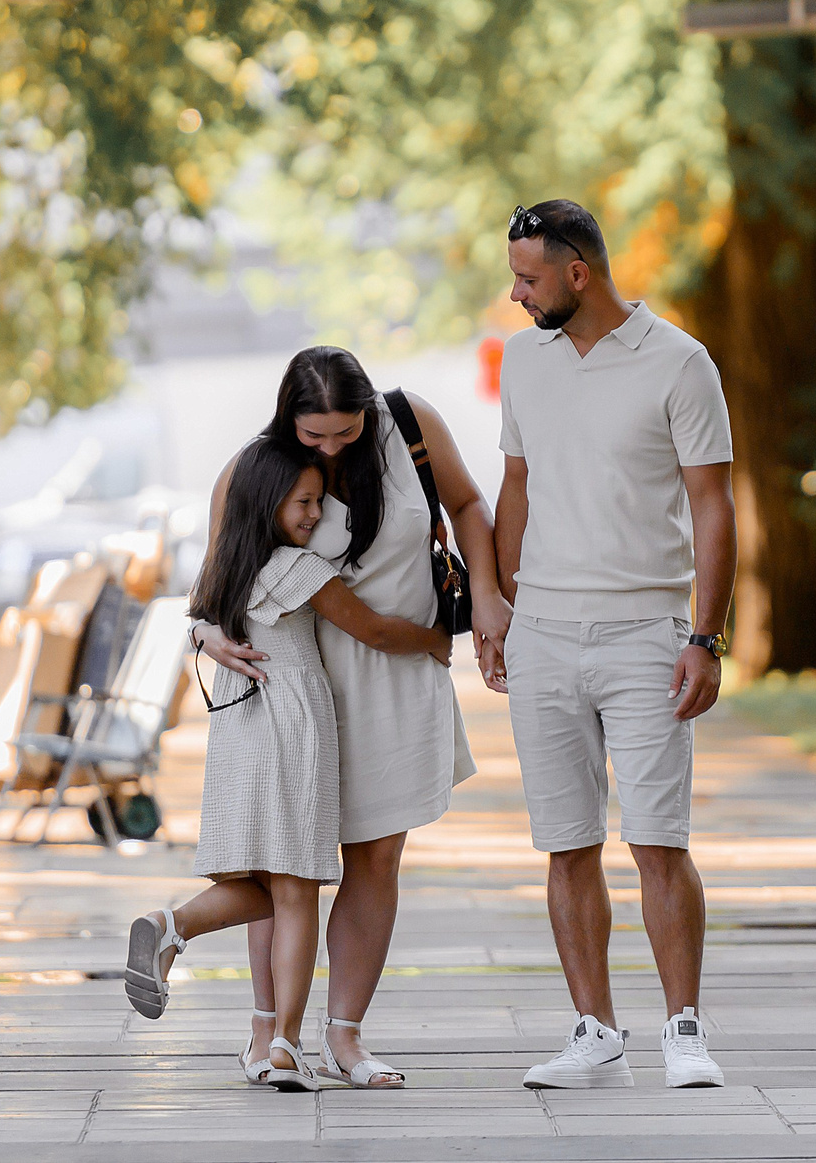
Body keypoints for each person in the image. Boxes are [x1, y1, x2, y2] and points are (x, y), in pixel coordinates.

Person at [476, 199, 736, 1091]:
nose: (515, 293)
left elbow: (713, 504)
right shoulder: (523, 361)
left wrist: (706, 634)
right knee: (566, 840)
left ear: (577, 274)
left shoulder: (680, 362)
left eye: (529, 277)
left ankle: (684, 1029)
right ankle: (594, 1028)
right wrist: (503, 604)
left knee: (658, 839)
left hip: (646, 632)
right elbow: (515, 482)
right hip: (544, 631)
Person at [193, 348, 497, 1087]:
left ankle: (346, 1037)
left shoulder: (409, 423)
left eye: (344, 431)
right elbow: (213, 582)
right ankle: (270, 1032)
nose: (331, 448)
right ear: (287, 419)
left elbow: (467, 505)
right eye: (315, 436)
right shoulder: (254, 468)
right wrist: (203, 632)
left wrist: (486, 595)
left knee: (376, 858)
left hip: (392, 679)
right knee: (282, 861)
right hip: (292, 687)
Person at [123, 441, 452, 1092]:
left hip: (242, 731)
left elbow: (196, 616)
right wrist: (436, 639)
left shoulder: (229, 569)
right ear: (268, 506)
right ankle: (283, 1045)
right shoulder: (297, 568)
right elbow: (370, 628)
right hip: (293, 725)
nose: (314, 513)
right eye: (303, 502)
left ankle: (173, 926)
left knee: (269, 883)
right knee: (298, 886)